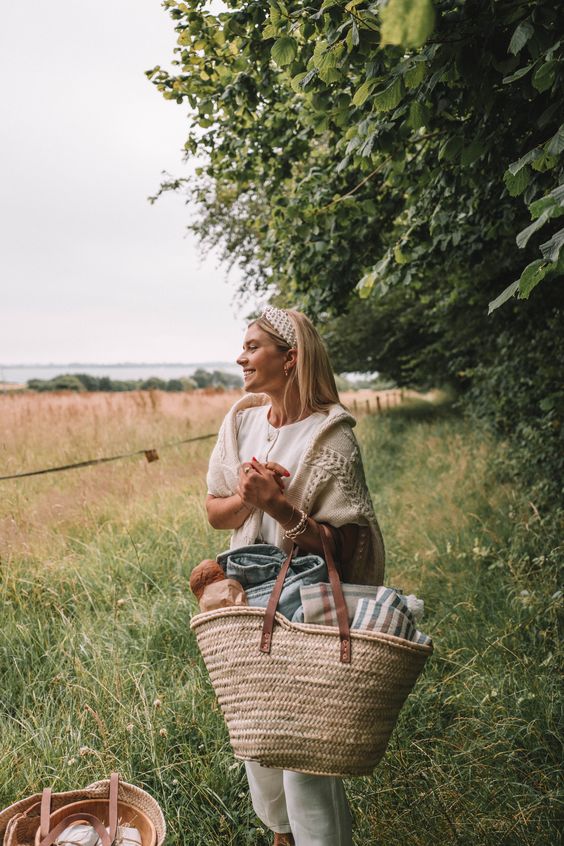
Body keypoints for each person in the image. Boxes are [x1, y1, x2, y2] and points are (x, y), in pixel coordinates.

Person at [205, 306, 386, 846]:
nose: (241, 356)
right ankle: (280, 835)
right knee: (256, 736)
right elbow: (214, 511)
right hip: (246, 600)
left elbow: (347, 549)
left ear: (292, 358)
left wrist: (280, 509)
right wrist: (246, 495)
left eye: (253, 346)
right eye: (243, 346)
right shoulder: (242, 422)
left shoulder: (331, 435)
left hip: (307, 606)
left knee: (305, 754)